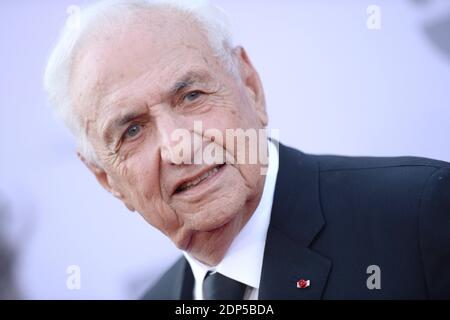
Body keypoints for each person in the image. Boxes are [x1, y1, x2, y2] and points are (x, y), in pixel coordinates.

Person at [44, 0, 450, 299]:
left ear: (250, 86)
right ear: (106, 178)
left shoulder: (419, 215)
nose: (177, 145)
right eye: (132, 130)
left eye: (191, 96)